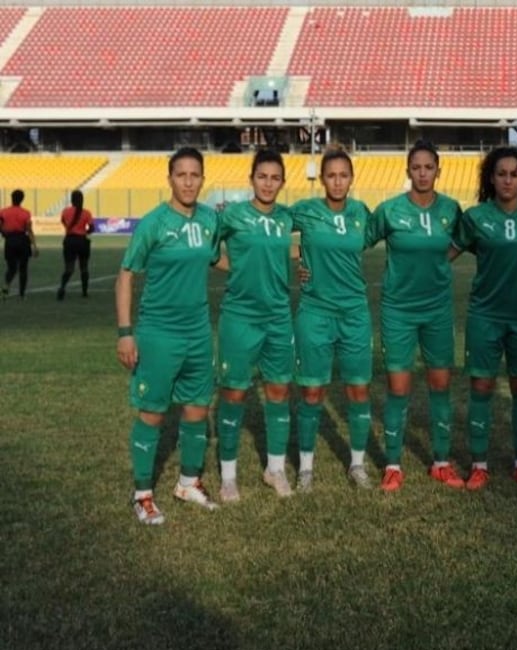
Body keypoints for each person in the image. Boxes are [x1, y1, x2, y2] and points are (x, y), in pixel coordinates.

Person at [115, 147, 220, 524]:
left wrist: (272, 255)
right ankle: (142, 493)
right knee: (153, 413)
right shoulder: (154, 223)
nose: (189, 182)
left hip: (197, 332)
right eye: (182, 175)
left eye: (195, 175)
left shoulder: (209, 219)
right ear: (170, 179)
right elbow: (126, 274)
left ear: (202, 179)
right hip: (158, 334)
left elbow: (217, 258)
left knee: (196, 408)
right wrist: (126, 333)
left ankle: (188, 482)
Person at [451, 146, 517, 490]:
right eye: (501, 174)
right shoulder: (475, 217)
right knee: (481, 386)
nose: (508, 180)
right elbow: (444, 255)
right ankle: (479, 465)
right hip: (485, 316)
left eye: (514, 174)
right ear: (490, 178)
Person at [364, 140, 464, 492]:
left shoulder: (451, 209)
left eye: (429, 167)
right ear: (408, 171)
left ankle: (440, 462)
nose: (423, 173)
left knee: (440, 385)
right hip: (398, 310)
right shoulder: (390, 210)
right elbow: (357, 241)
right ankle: (392, 465)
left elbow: (462, 241)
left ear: (439, 170)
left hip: (437, 309)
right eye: (416, 167)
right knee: (398, 388)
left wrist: (438, 264)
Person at [213, 149, 297, 501]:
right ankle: (228, 477)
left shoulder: (287, 218)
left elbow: (292, 252)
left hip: (278, 318)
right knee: (233, 393)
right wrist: (236, 269)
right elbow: (207, 247)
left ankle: (274, 470)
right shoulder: (232, 215)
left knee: (278, 392)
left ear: (282, 182)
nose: (268, 183)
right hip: (240, 317)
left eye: (275, 177)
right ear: (252, 179)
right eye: (262, 176)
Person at [291, 148, 375, 491]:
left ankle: (357, 465)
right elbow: (268, 232)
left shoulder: (362, 213)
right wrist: (298, 256)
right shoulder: (306, 211)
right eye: (331, 175)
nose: (337, 181)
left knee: (358, 389)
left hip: (354, 313)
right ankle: (306, 469)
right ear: (322, 179)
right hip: (315, 313)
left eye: (343, 175)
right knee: (312, 391)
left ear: (351, 179)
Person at [2, 189, 37, 300]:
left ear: (11, 198)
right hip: (22, 240)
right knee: (23, 268)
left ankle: (6, 286)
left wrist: (4, 233)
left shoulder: (3, 212)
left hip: (10, 240)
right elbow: (29, 230)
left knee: (11, 268)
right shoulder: (26, 213)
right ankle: (22, 294)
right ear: (22, 199)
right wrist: (34, 245)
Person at [57, 190, 93, 300]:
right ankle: (85, 292)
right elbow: (91, 228)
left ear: (71, 199)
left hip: (70, 241)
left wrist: (70, 229)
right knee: (84, 267)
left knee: (69, 268)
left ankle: (62, 287)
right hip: (82, 241)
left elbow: (63, 221)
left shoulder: (66, 211)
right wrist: (84, 232)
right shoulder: (86, 213)